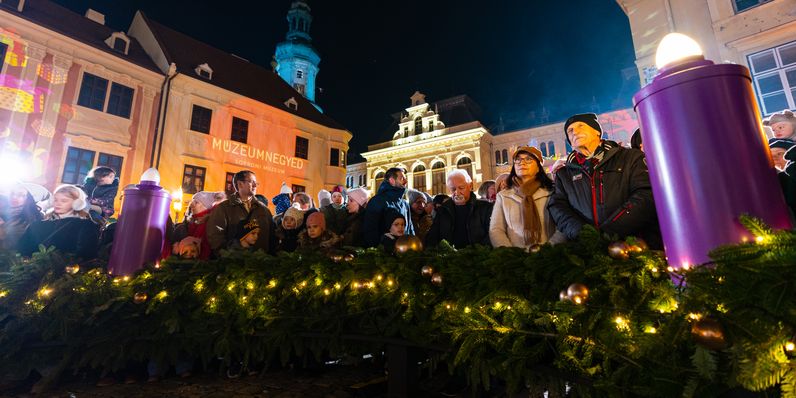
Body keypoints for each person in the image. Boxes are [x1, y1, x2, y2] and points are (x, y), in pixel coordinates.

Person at [548, 113, 660, 246]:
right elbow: (558, 207)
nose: (575, 132)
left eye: (580, 126)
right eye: (570, 131)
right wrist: (584, 234)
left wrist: (609, 233)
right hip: (588, 251)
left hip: (634, 246)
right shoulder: (564, 174)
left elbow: (646, 195)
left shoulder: (630, 158)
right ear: (570, 142)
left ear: (597, 132)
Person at [490, 146, 560, 249]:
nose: (521, 163)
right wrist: (510, 254)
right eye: (517, 160)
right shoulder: (503, 196)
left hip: (548, 258)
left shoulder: (551, 192)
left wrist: (548, 250)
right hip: (515, 259)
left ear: (538, 167)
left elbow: (561, 227)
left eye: (528, 159)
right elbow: (496, 229)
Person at [18, 184, 100, 259]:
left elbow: (86, 256)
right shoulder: (37, 225)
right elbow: (22, 250)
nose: (58, 204)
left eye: (63, 201)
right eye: (56, 200)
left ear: (77, 203)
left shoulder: (85, 226)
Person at [206, 170, 275, 256]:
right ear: (240, 184)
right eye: (251, 182)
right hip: (233, 264)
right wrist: (226, 254)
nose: (255, 185)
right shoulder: (223, 208)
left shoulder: (264, 210)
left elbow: (273, 236)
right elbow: (215, 236)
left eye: (256, 182)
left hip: (259, 264)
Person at [425, 169, 493, 248]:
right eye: (453, 189)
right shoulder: (443, 210)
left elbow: (491, 235)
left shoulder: (485, 208)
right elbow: (432, 237)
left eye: (461, 188)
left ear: (470, 186)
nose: (457, 193)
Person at [362, 167, 414, 247]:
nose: (405, 181)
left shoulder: (405, 204)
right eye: (402, 178)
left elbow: (410, 228)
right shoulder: (377, 201)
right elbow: (370, 230)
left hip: (405, 252)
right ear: (392, 181)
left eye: (405, 178)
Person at [172, 191, 219, 260]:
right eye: (192, 202)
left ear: (206, 207)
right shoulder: (188, 224)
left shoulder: (213, 223)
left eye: (196, 202)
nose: (191, 205)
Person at [0, 183, 44, 251]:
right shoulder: (3, 211)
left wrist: (1, 226)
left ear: (29, 198)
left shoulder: (29, 219)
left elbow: (12, 246)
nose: (14, 197)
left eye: (20, 195)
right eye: (12, 193)